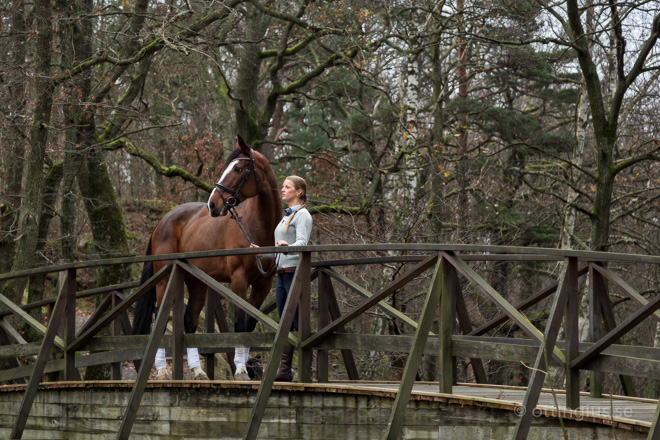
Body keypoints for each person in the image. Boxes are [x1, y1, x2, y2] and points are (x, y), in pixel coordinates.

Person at [251, 175, 312, 381]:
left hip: (294, 273)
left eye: (287, 187)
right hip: (281, 273)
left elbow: (302, 243)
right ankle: (285, 369)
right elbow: (281, 248)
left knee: (296, 321)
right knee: (284, 322)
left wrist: (287, 248)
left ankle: (305, 370)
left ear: (299, 192)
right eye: (283, 187)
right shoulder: (286, 216)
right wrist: (264, 252)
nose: (282, 190)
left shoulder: (303, 215)